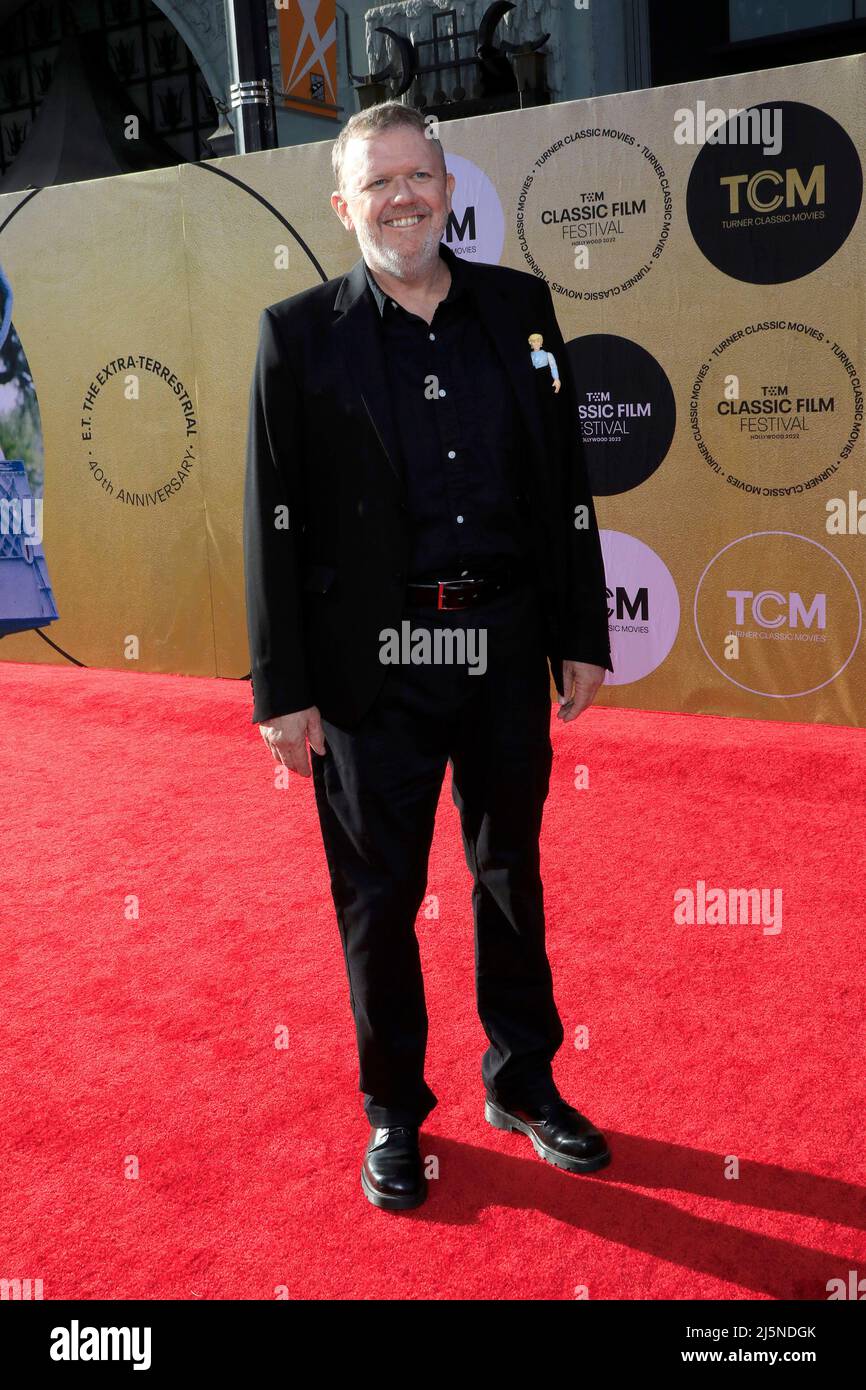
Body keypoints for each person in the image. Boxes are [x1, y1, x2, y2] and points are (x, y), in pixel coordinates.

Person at [243, 101, 614, 1212]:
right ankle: (394, 1112)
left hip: (499, 640)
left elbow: (563, 486)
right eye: (378, 182)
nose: (401, 197)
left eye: (419, 176)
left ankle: (523, 1080)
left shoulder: (519, 309)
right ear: (341, 204)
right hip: (372, 661)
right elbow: (270, 520)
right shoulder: (296, 333)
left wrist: (577, 632)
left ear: (447, 188)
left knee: (509, 873)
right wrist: (283, 691)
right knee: (378, 896)